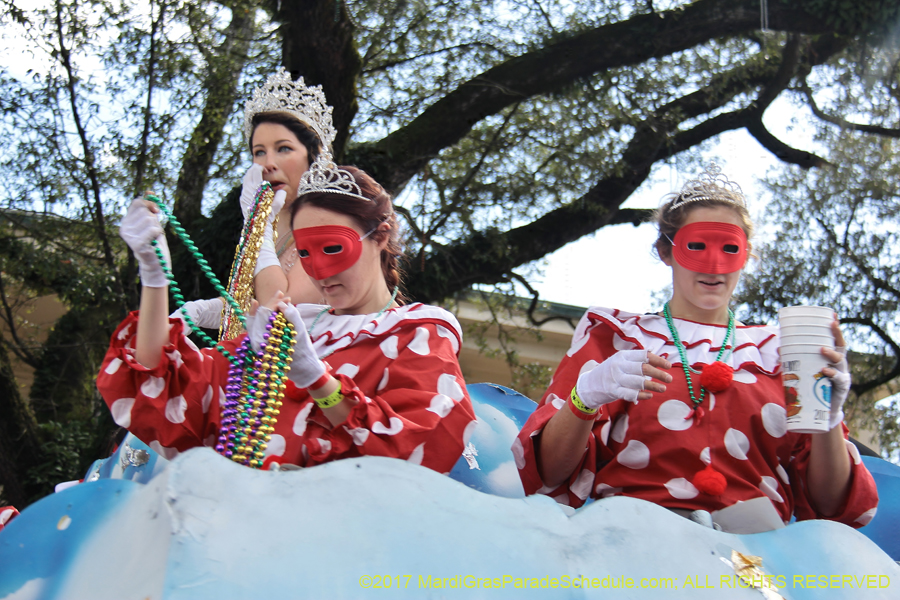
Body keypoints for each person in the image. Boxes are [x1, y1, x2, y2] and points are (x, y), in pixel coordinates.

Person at [513, 165, 878, 533]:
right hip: (635, 548)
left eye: (729, 248)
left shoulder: (781, 355)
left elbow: (834, 509)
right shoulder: (615, 337)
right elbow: (546, 475)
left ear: (746, 255)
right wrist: (585, 397)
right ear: (665, 252)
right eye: (697, 246)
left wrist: (828, 420)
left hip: (756, 563)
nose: (714, 264)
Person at [98, 159, 476, 473]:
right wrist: (154, 278)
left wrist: (318, 380)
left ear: (380, 235)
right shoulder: (289, 331)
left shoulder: (419, 333)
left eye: (332, 247)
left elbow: (418, 453)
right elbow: (165, 392)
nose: (320, 271)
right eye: (306, 254)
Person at [177, 68, 335, 331]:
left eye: (283, 148)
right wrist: (199, 311)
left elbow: (280, 311)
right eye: (259, 152)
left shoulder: (329, 226)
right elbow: (249, 306)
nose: (268, 164)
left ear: (313, 156)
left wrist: (257, 227)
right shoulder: (270, 229)